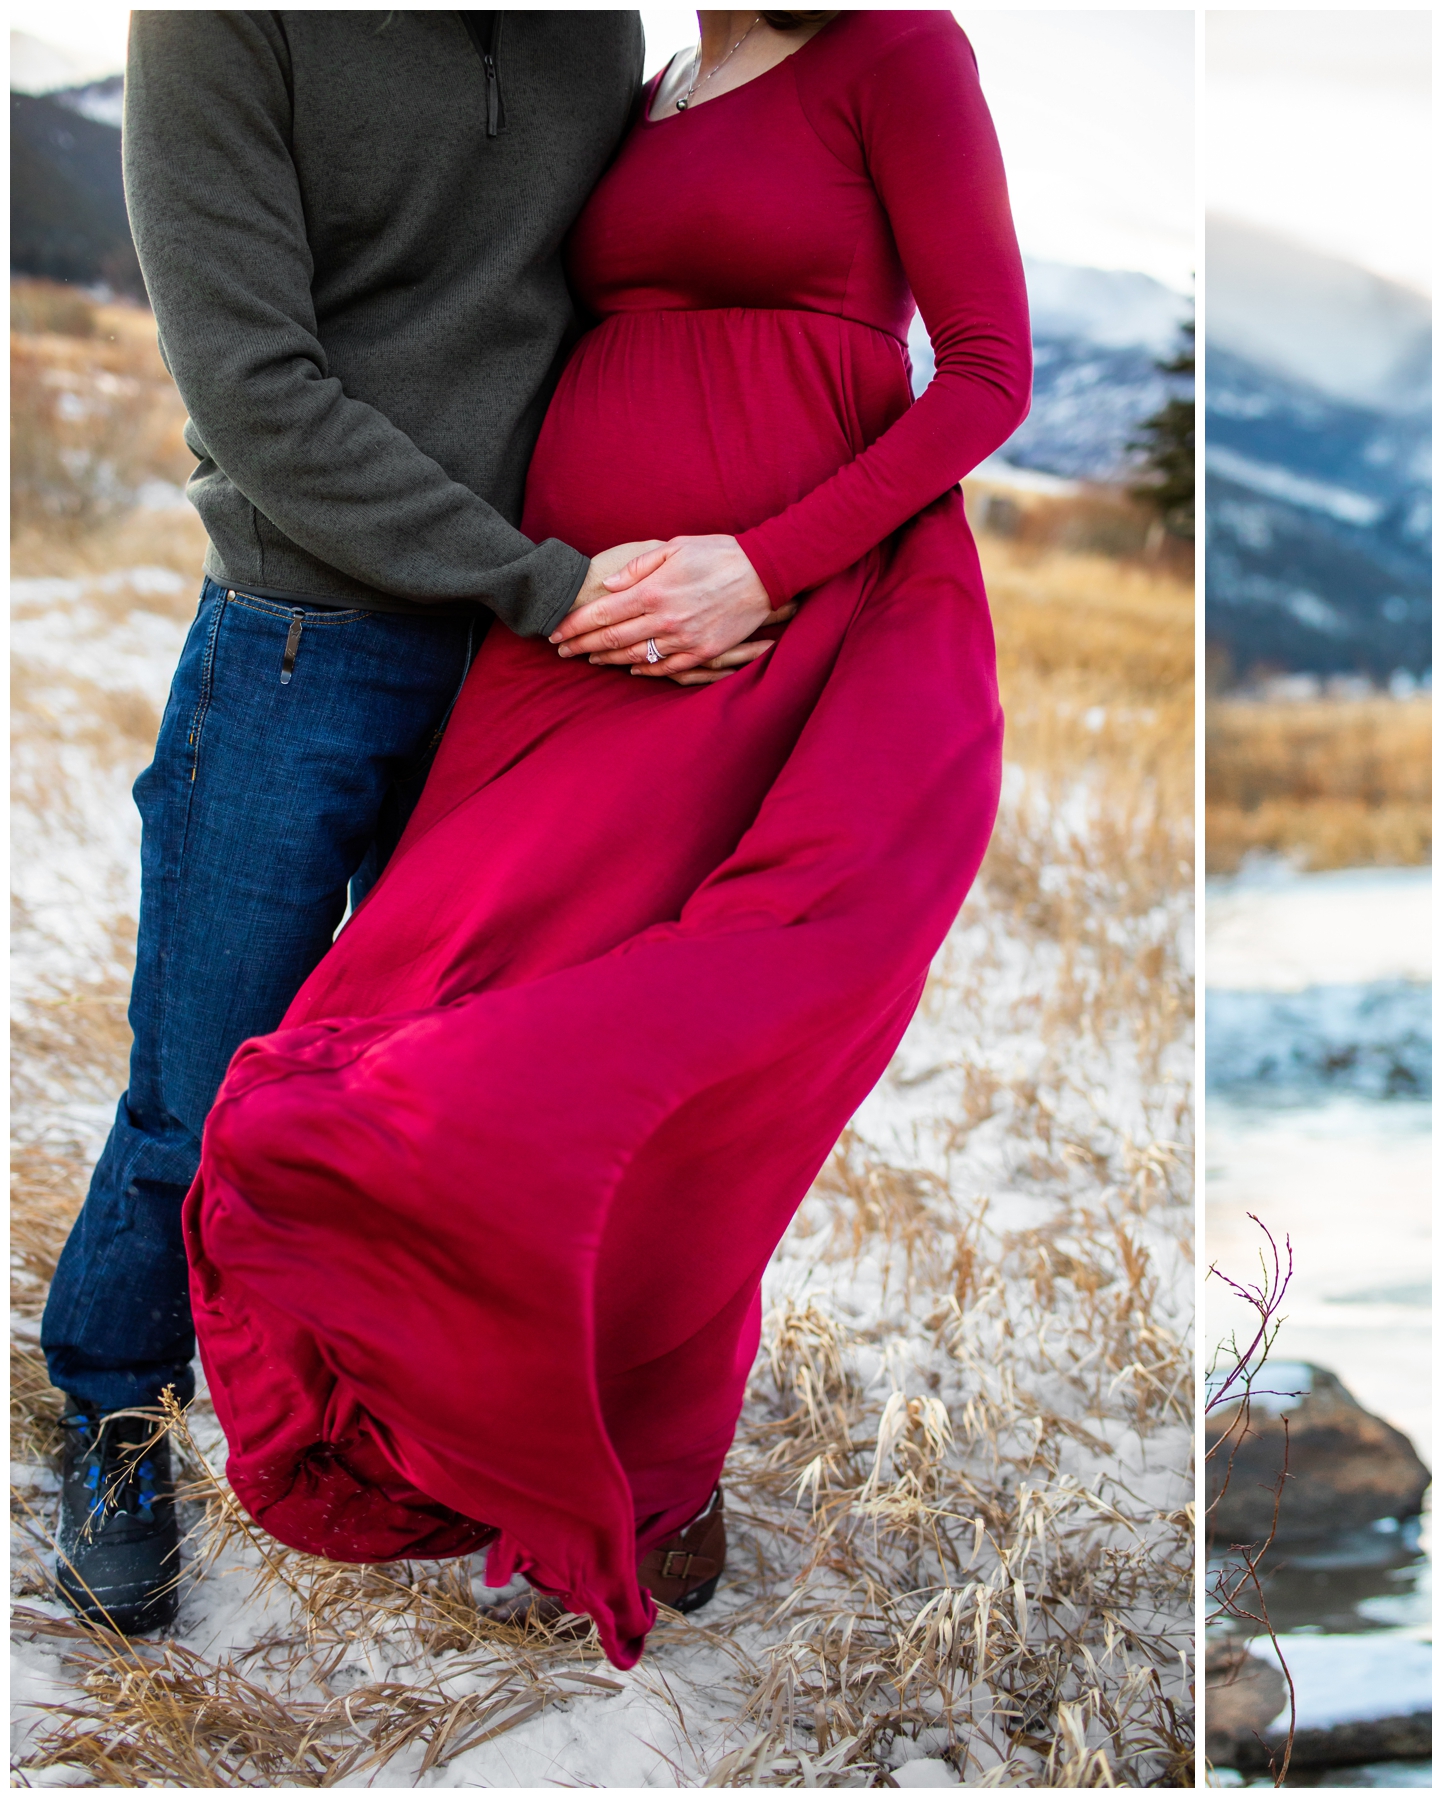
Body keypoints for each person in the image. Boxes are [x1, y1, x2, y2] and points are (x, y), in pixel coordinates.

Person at [180, 7, 1031, 1672]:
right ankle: (478, 1423)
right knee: (440, 996)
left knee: (629, 1057)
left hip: (749, 635)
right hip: (566, 629)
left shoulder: (900, 51)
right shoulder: (637, 79)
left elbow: (991, 373)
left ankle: (653, 1476)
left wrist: (763, 564)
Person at [43, 11, 663, 1637]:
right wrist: (540, 579)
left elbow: (614, 308)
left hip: (528, 671)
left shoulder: (591, 33)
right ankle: (110, 1411)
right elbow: (256, 387)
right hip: (301, 636)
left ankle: (407, 1431)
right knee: (202, 1083)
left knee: (451, 1093)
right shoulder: (220, 23)